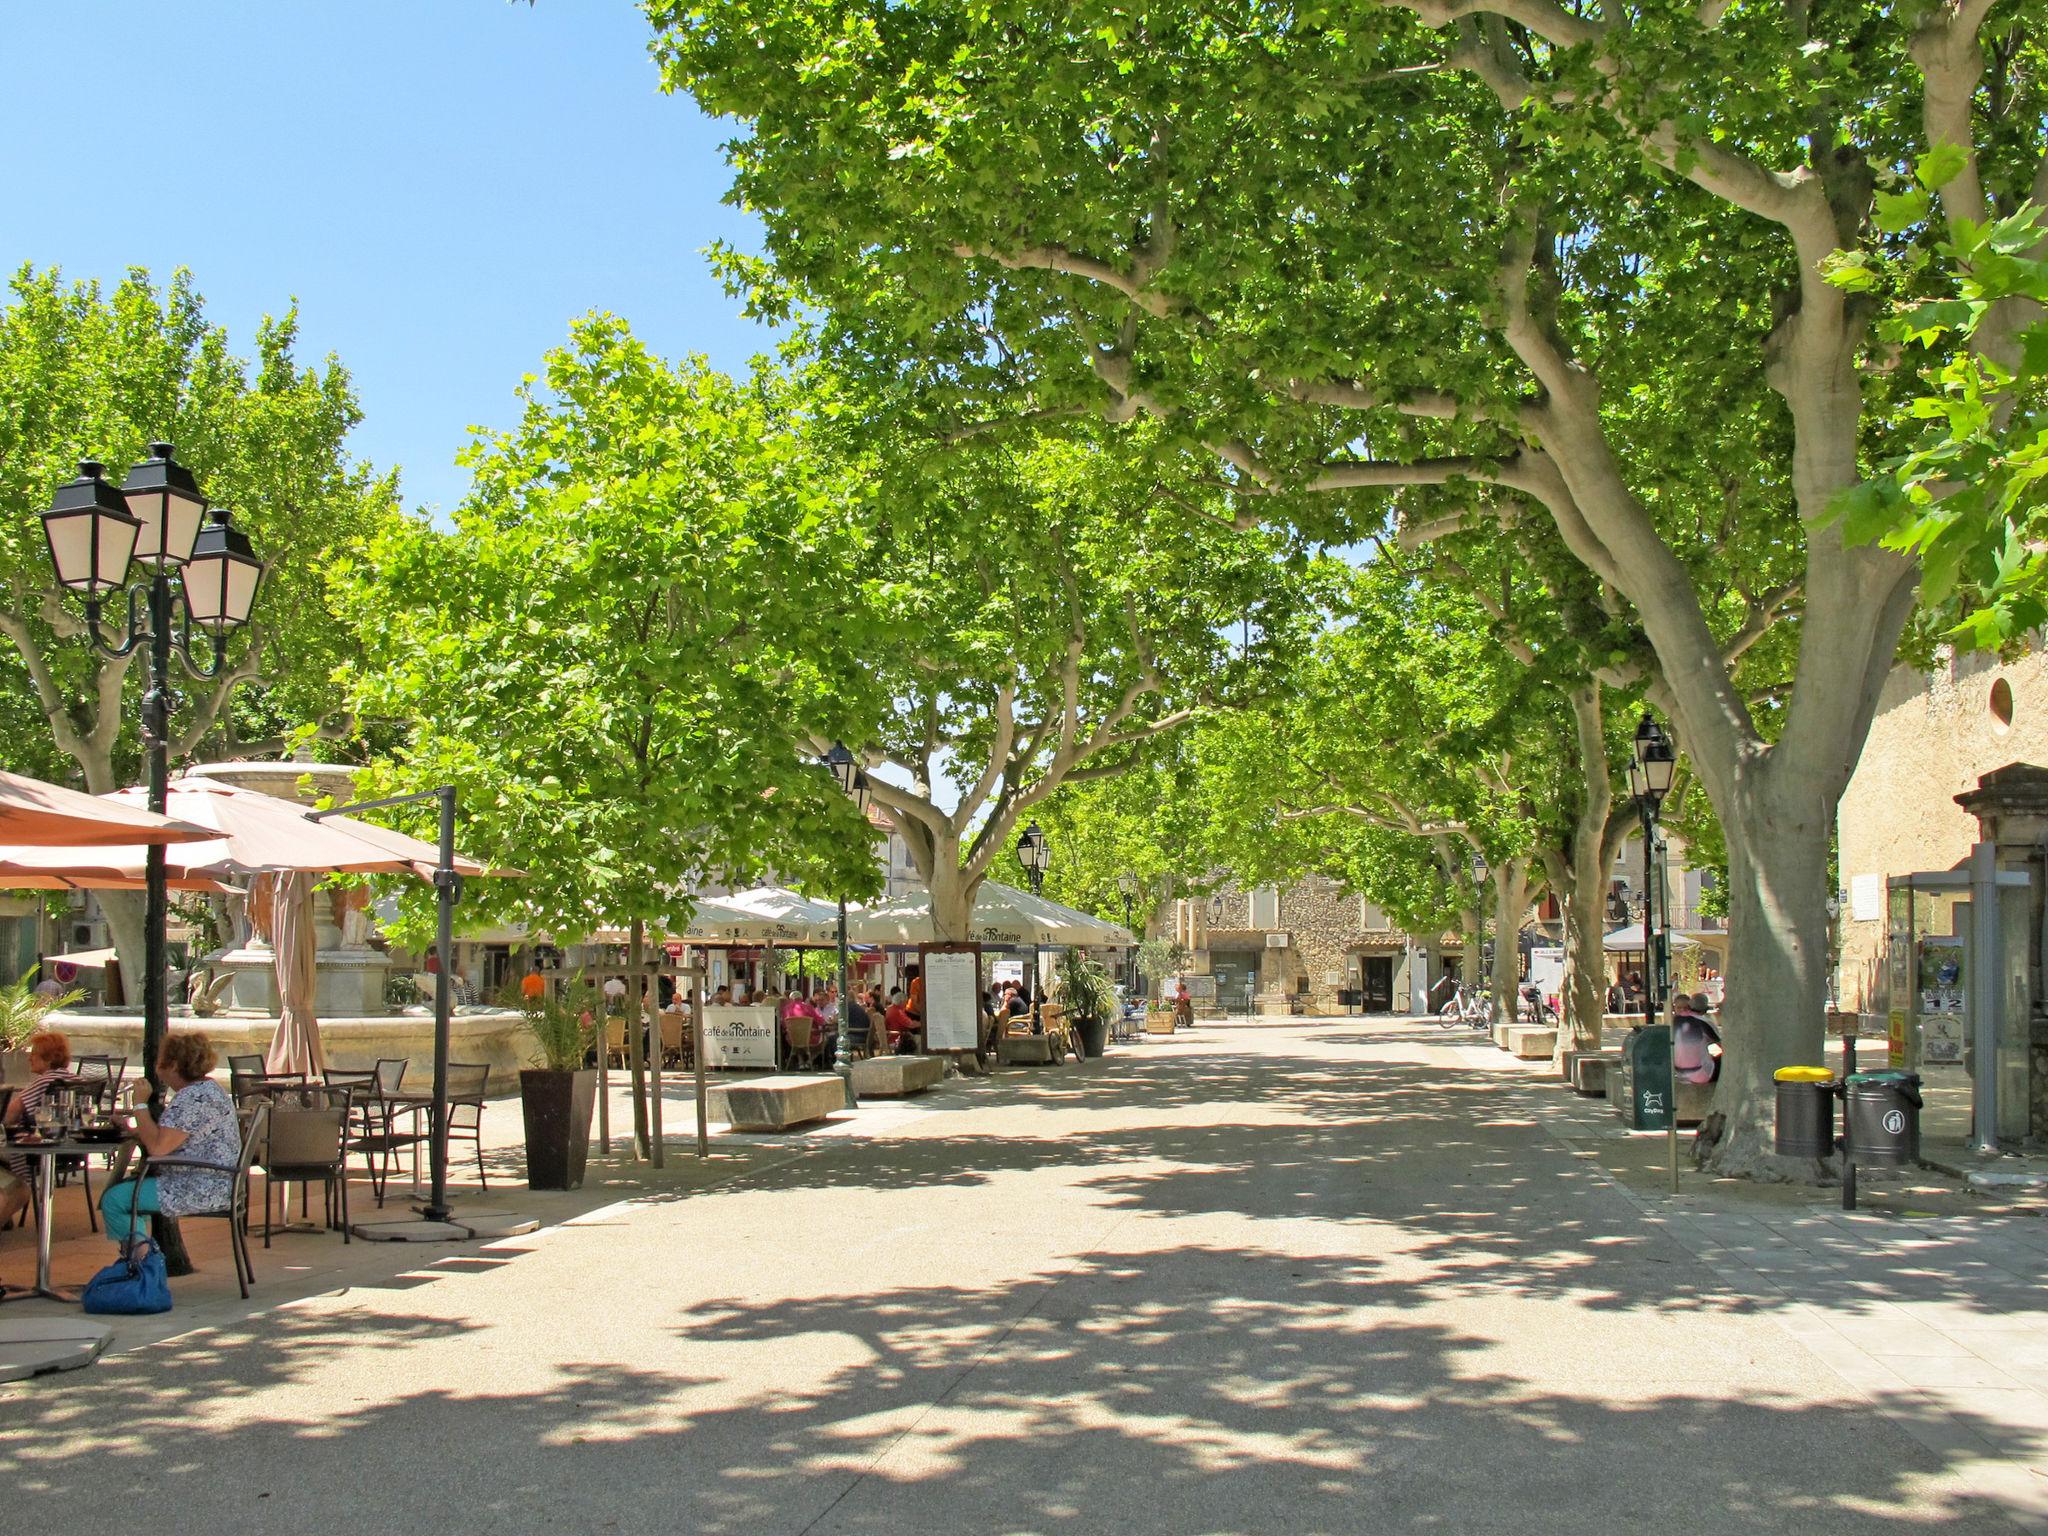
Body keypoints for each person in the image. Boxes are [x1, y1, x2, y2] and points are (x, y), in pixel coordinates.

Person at [102, 1031, 241, 1243]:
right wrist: (134, 1131)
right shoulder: (209, 1089)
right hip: (215, 1182)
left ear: (174, 1065)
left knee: (114, 1200)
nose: (158, 1072)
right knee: (132, 1193)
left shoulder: (192, 1098)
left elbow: (158, 1148)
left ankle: (142, 1263)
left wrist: (140, 1104)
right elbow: (173, 1136)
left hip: (199, 1187)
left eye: (160, 1064)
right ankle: (139, 1257)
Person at [0, 1029, 73, 1234]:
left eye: (34, 1053)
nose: (29, 1057)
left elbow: (9, 1115)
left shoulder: (43, 1081)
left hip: (33, 1150)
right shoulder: (74, 1078)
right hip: (67, 1150)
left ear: (49, 1058)